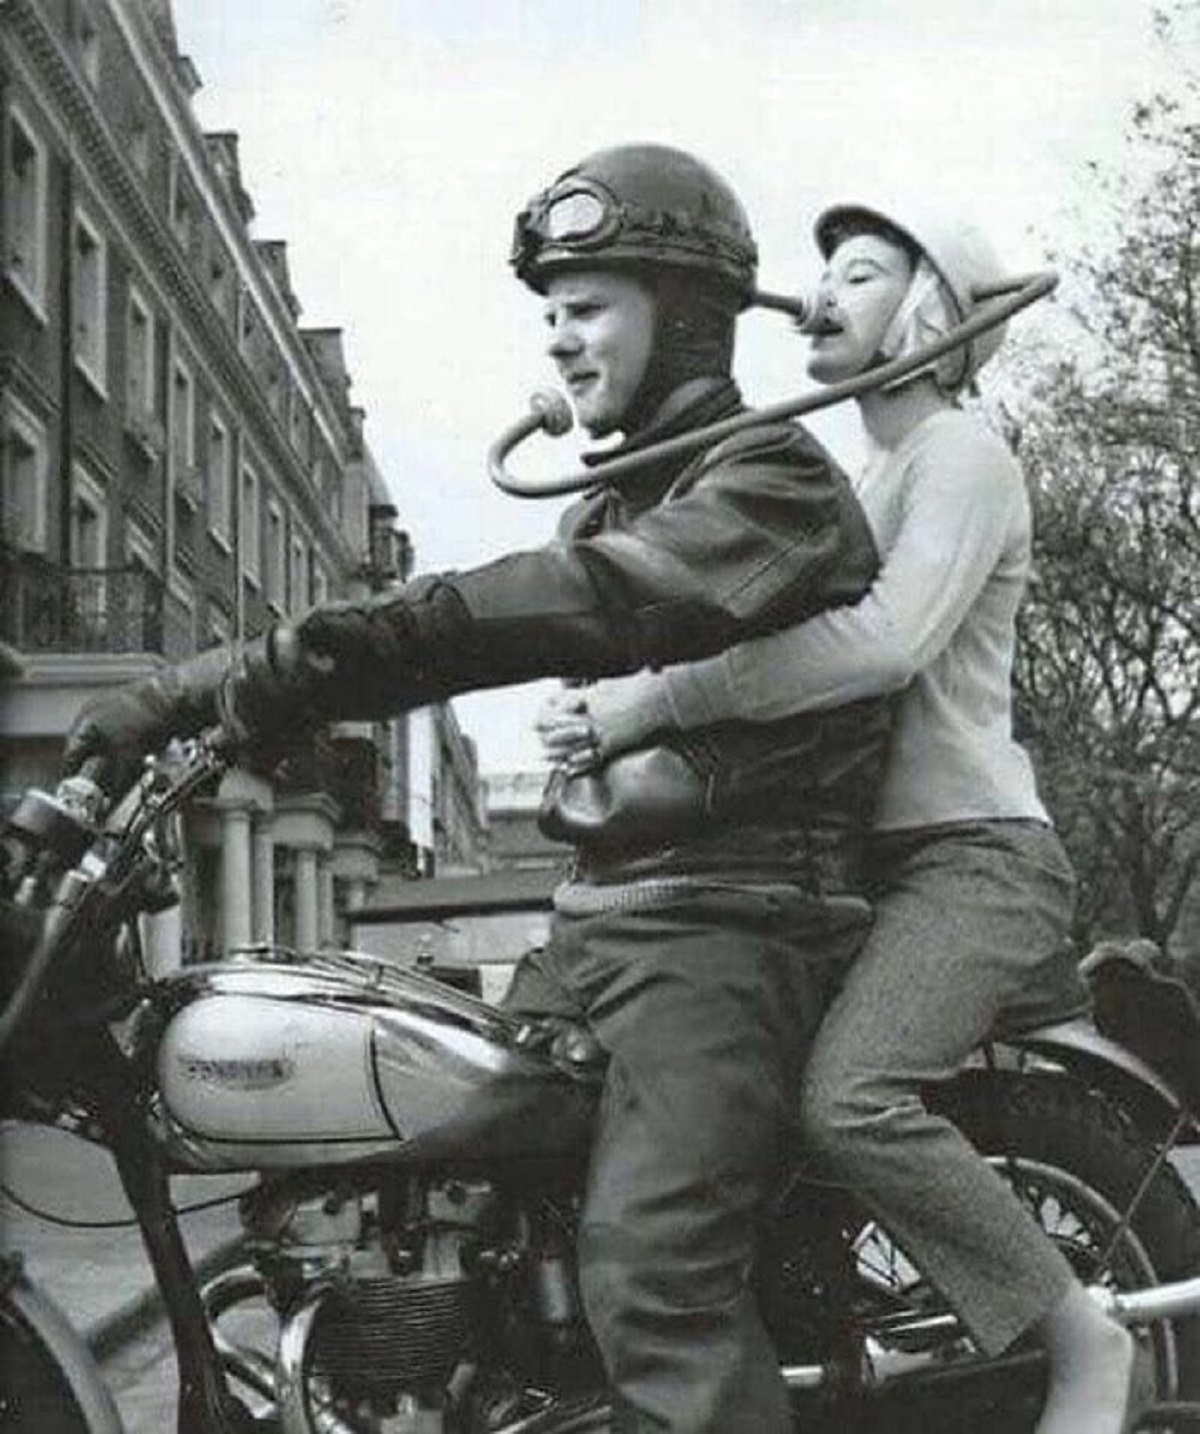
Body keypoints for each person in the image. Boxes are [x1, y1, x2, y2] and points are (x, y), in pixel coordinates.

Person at [64, 145, 894, 1433]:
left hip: (733, 925)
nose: (561, 344)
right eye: (551, 314)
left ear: (684, 315)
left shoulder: (767, 483)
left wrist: (245, 679)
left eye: (590, 307)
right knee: (434, 1159)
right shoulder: (622, 496)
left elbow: (566, 607)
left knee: (655, 1279)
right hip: (612, 923)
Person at [537, 201, 1136, 1434]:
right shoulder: (866, 474)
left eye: (859, 273)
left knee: (851, 1100)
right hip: (866, 863)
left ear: (929, 319)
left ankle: (1086, 1339)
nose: (821, 291)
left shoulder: (959, 455)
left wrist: (651, 703)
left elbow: (882, 644)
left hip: (972, 860)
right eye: (819, 271)